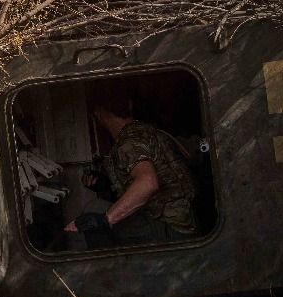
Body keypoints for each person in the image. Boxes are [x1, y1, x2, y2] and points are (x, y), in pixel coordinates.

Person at [64, 89, 197, 246]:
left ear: (98, 114)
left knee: (92, 223)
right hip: (182, 221)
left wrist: (106, 219)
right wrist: (106, 186)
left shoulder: (128, 141)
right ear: (129, 105)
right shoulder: (143, 130)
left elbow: (147, 183)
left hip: (168, 228)